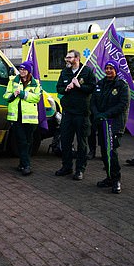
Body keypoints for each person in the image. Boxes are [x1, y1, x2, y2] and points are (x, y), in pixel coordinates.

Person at [54, 50, 96, 180]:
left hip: (82, 113)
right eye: (66, 57)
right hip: (68, 112)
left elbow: (92, 88)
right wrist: (65, 89)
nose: (66, 59)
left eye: (69, 57)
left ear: (77, 58)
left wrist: (79, 86)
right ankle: (66, 167)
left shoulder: (87, 71)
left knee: (82, 143)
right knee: (66, 141)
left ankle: (80, 169)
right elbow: (58, 87)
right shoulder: (64, 72)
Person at [91, 60, 129, 194]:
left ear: (116, 70)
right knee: (104, 152)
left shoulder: (121, 85)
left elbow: (123, 104)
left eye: (111, 68)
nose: (108, 71)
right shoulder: (100, 83)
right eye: (106, 68)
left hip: (114, 124)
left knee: (112, 152)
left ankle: (116, 179)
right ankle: (109, 177)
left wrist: (106, 114)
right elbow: (93, 101)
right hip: (101, 122)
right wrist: (97, 114)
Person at [4, 61, 42, 176]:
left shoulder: (35, 83)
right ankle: (26, 165)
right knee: (21, 141)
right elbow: (6, 96)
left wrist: (23, 94)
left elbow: (36, 98)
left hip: (30, 118)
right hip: (16, 117)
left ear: (29, 71)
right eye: (20, 69)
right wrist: (13, 95)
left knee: (29, 141)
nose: (22, 71)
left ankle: (22, 163)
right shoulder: (13, 81)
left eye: (24, 69)